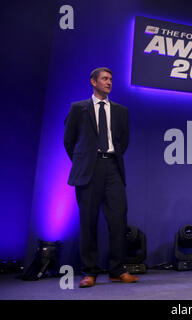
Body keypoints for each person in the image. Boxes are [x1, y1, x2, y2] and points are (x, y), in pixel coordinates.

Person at [64, 67, 138, 288]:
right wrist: (85, 161)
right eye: (105, 79)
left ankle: (117, 270)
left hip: (113, 169)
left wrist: (109, 157)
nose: (109, 82)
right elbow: (69, 141)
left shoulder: (121, 111)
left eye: (111, 79)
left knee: (118, 221)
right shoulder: (78, 108)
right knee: (88, 222)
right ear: (93, 82)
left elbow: (123, 142)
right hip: (88, 171)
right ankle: (90, 271)